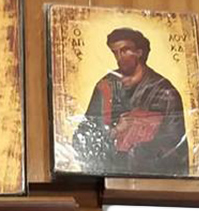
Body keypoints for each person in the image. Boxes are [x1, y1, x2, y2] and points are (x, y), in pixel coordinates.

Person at [74, 27, 188, 176]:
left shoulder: (164, 93)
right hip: (108, 174)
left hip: (148, 177)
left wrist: (137, 144)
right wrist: (115, 131)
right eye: (115, 52)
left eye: (124, 50)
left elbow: (174, 143)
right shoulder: (106, 86)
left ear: (139, 52)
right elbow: (82, 135)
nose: (119, 57)